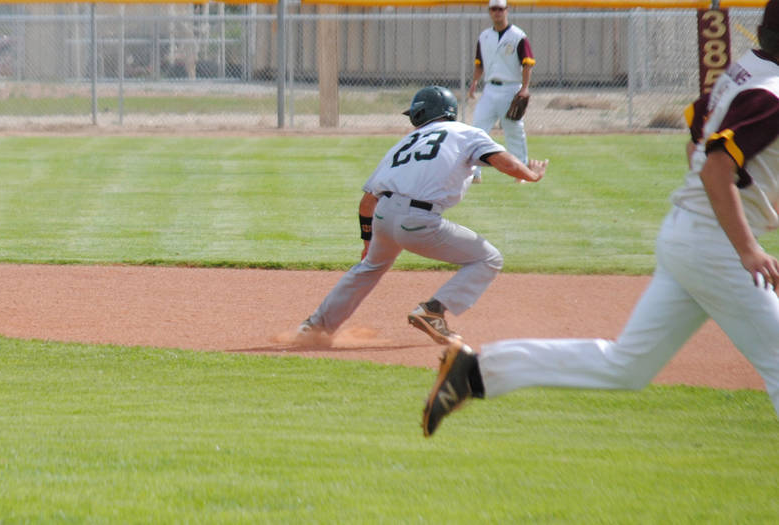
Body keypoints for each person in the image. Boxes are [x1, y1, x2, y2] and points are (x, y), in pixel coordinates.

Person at [422, 0, 779, 437]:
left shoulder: (746, 70)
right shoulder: (771, 91)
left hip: (689, 234)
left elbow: (696, 143)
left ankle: (475, 372)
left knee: (627, 366)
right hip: (715, 245)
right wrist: (747, 246)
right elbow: (714, 167)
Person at [295, 86, 547, 346]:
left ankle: (314, 327)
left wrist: (368, 242)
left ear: (422, 114)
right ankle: (433, 310)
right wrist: (531, 175)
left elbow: (367, 202)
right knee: (488, 258)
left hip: (383, 216)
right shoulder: (467, 133)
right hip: (419, 220)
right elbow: (504, 162)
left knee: (369, 267)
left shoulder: (404, 142)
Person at [467, 0, 535, 184]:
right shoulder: (484, 36)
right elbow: (479, 64)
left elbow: (527, 64)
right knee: (478, 130)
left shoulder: (518, 36)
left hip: (511, 87)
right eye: (494, 9)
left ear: (507, 10)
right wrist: (474, 82)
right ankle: (474, 173)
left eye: (500, 9)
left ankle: (521, 172)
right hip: (489, 88)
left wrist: (525, 87)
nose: (497, 12)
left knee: (513, 130)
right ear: (489, 11)